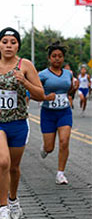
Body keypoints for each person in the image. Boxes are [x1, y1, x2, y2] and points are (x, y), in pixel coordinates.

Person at [0, 27, 44, 219]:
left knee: (14, 167)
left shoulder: (26, 65)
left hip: (19, 122)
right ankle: (3, 207)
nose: (8, 46)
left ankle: (13, 199)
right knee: (3, 162)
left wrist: (24, 82)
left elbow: (40, 94)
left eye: (13, 42)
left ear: (18, 46)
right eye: (5, 42)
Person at [39, 42, 75, 185]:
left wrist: (73, 89)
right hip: (48, 113)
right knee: (50, 147)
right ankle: (45, 147)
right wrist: (45, 97)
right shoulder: (42, 75)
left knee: (64, 141)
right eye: (54, 56)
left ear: (63, 58)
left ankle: (60, 173)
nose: (57, 59)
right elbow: (35, 91)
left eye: (60, 56)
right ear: (49, 58)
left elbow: (70, 89)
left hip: (64, 112)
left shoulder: (68, 73)